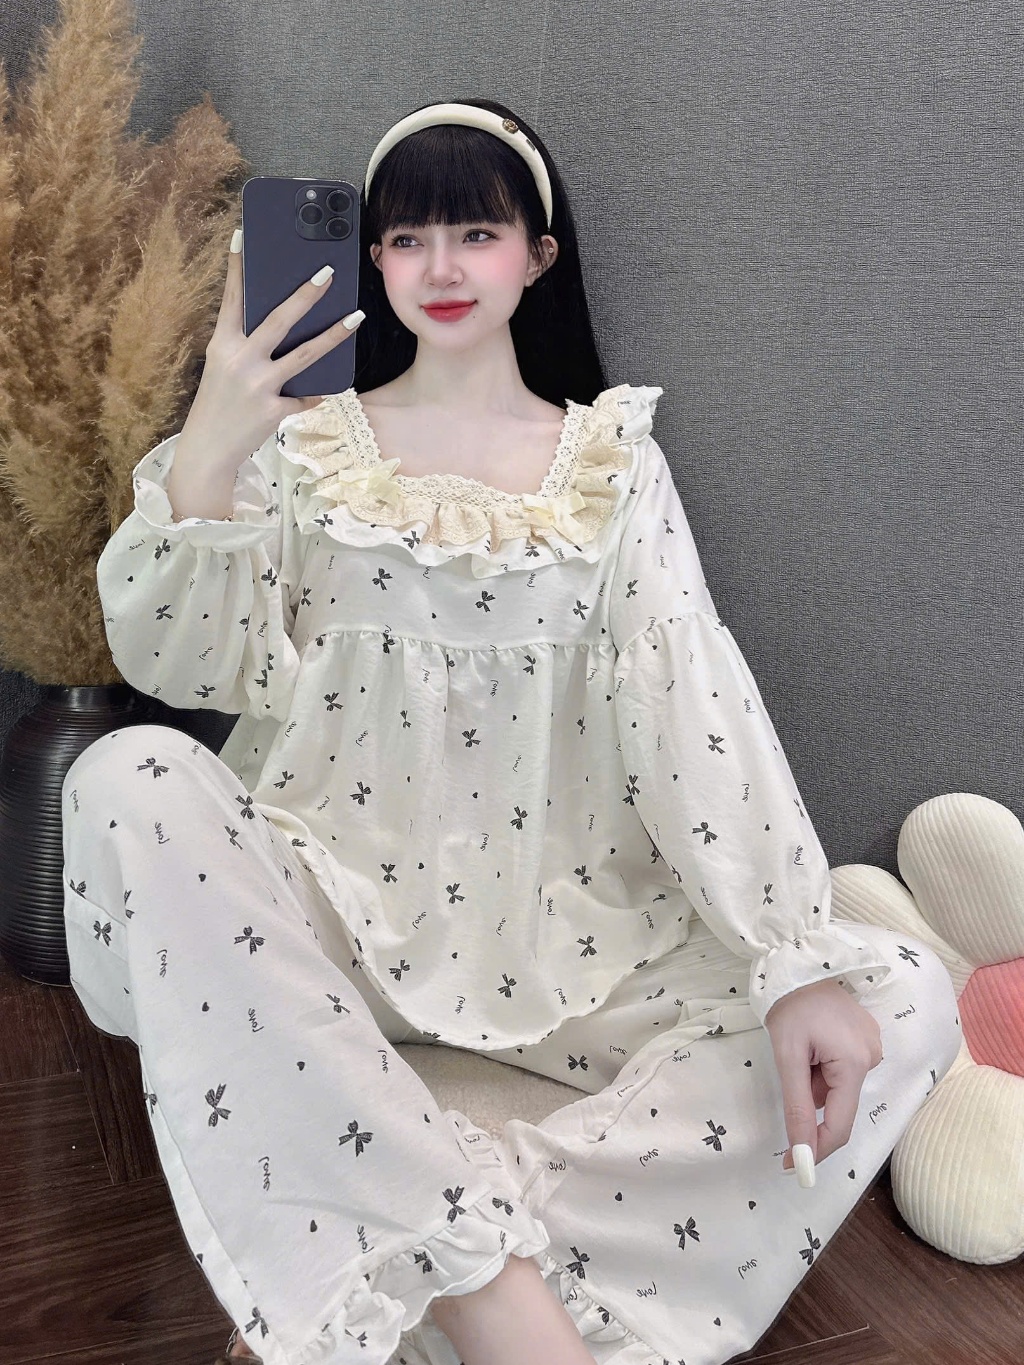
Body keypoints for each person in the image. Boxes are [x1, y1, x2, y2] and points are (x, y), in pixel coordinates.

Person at [61, 97, 962, 1365]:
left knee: (899, 995)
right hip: (329, 927)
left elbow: (692, 707)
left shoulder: (612, 467)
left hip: (569, 947)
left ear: (536, 257)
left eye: (475, 233)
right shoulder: (300, 451)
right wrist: (213, 440)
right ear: (371, 259)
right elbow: (179, 662)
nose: (439, 266)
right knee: (129, 773)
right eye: (405, 236)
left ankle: (440, 1238)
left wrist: (786, 949)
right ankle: (498, 1304)